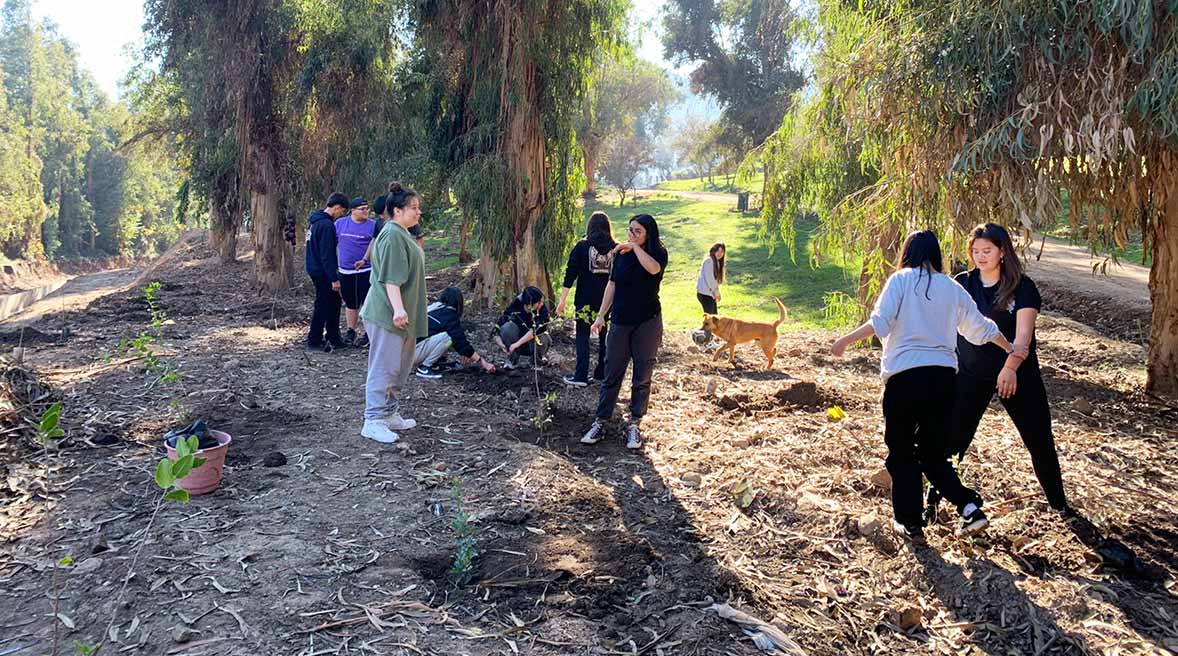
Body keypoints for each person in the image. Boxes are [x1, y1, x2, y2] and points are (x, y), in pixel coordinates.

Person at [830, 230, 1015, 544]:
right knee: (933, 454)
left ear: (907, 253)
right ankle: (969, 506)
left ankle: (910, 523)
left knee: (902, 453)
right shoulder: (951, 288)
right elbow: (980, 328)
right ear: (936, 255)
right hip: (943, 380)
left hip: (904, 378)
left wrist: (845, 340)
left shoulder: (900, 281)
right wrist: (1009, 347)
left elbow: (881, 323)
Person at [925, 223, 1068, 524]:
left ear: (1002, 251)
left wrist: (1010, 367)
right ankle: (933, 504)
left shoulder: (1022, 286)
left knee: (1039, 439)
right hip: (970, 374)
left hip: (1016, 375)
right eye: (975, 251)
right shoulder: (961, 283)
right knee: (952, 442)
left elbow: (1023, 337)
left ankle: (1060, 505)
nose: (980, 256)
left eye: (987, 251)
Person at [581, 214, 669, 450]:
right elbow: (612, 284)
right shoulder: (620, 255)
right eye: (630, 230)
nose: (631, 234)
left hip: (647, 321)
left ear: (649, 234)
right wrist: (601, 315)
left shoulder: (658, 253)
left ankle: (634, 425)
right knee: (612, 372)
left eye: (637, 231)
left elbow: (653, 269)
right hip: (620, 320)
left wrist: (634, 247)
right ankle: (601, 422)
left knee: (642, 373)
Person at [357, 182, 428, 444]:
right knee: (384, 367)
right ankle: (373, 420)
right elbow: (391, 278)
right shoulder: (392, 235)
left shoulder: (404, 234)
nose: (418, 212)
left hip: (403, 317)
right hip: (388, 315)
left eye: (418, 208)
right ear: (397, 210)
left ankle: (389, 414)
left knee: (399, 368)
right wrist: (398, 309)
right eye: (414, 208)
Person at [555, 211, 616, 387]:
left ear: (590, 227)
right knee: (606, 336)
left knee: (582, 336)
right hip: (608, 303)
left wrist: (562, 300)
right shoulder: (617, 248)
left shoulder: (582, 247)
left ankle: (581, 375)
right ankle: (601, 373)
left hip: (584, 301)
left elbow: (570, 274)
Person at [413, 287, 497, 379]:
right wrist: (482, 362)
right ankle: (424, 367)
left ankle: (434, 363)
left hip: (406, 351)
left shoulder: (434, 308)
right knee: (448, 337)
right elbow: (459, 340)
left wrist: (465, 353)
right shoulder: (449, 314)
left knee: (443, 334)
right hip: (413, 354)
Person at [305, 192, 350, 352]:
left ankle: (333, 337)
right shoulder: (326, 225)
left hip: (315, 268)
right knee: (323, 304)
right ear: (336, 207)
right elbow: (327, 254)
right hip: (323, 272)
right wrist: (334, 278)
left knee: (333, 303)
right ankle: (314, 339)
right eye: (342, 211)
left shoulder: (315, 222)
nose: (341, 215)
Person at [335, 197, 379, 348]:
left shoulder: (373, 226)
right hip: (345, 271)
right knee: (350, 303)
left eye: (367, 208)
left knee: (368, 303)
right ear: (352, 210)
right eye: (362, 209)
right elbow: (333, 242)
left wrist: (365, 260)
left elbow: (374, 244)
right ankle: (351, 331)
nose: (366, 211)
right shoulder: (340, 223)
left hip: (366, 271)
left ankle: (369, 333)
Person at [493, 287, 550, 368]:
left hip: (531, 344)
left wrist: (516, 344)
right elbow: (498, 327)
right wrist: (501, 344)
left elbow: (535, 331)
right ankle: (512, 360)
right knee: (507, 328)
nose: (542, 304)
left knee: (543, 338)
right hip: (517, 342)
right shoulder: (516, 306)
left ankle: (536, 362)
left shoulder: (542, 310)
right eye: (539, 302)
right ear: (530, 304)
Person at [696, 242, 726, 314]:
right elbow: (710, 279)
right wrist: (716, 293)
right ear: (713, 251)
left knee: (713, 318)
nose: (719, 253)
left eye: (722, 251)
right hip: (705, 294)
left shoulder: (716, 262)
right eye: (717, 251)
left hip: (709, 294)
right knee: (711, 319)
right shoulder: (709, 261)